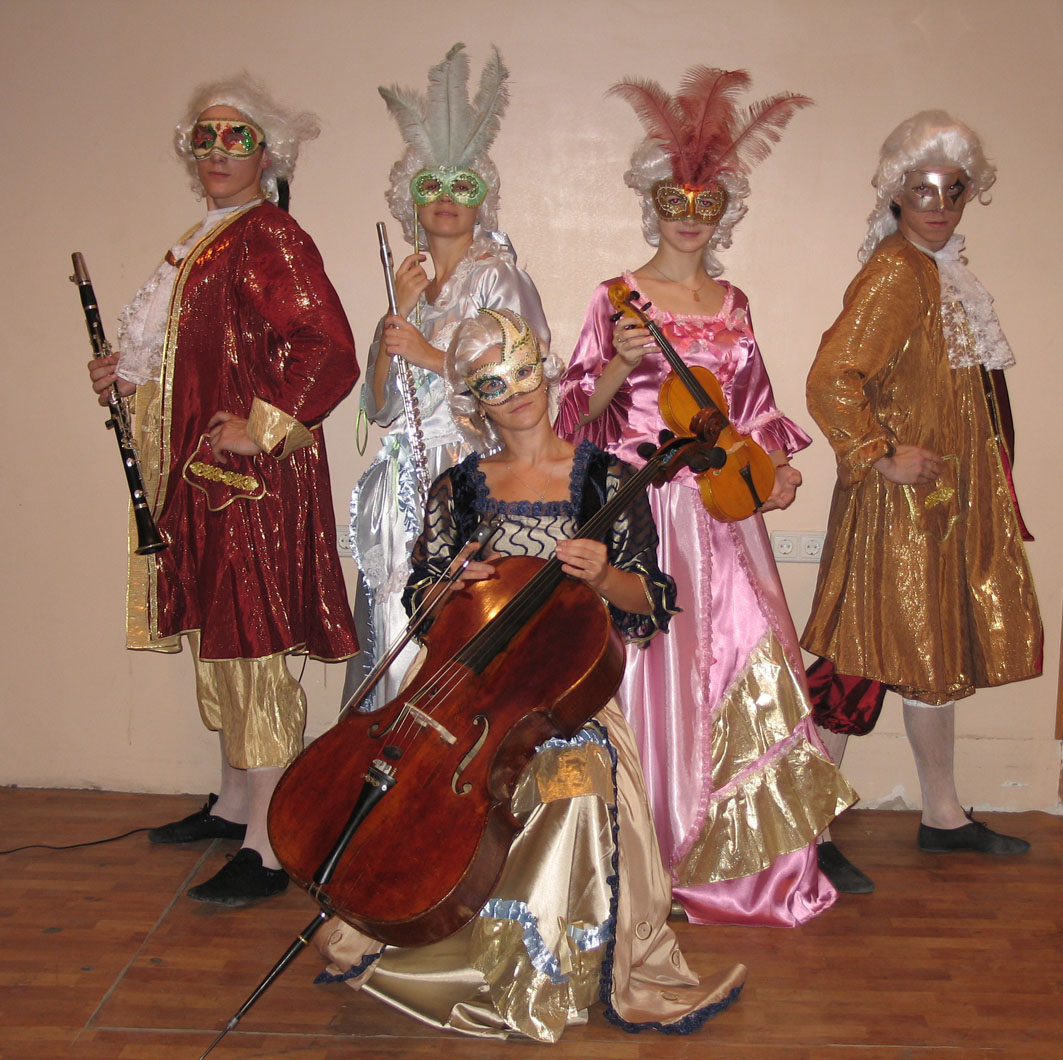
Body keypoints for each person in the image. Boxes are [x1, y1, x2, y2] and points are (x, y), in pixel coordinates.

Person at [317, 308, 745, 1040]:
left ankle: (547, 968)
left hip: (567, 697)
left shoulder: (606, 479)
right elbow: (423, 606)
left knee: (568, 788)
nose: (515, 393)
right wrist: (448, 584)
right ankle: (448, 942)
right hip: (466, 694)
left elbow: (648, 602)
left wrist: (604, 575)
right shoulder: (459, 488)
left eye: (522, 373)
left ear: (544, 372)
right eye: (493, 383)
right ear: (473, 399)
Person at [556, 65, 856, 926]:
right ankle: (649, 855)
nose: (688, 215)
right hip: (646, 514)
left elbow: (752, 406)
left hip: (725, 513)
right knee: (653, 673)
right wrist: (615, 362)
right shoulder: (614, 296)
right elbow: (576, 413)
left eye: (706, 201)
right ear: (649, 202)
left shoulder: (733, 301)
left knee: (744, 661)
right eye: (674, 199)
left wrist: (776, 467)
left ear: (725, 210)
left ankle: (742, 862)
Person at [87, 75, 359, 906]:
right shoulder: (208, 237)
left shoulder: (268, 234)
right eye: (203, 137)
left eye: (235, 137)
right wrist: (127, 374)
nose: (216, 151)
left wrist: (264, 426)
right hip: (206, 478)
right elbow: (194, 354)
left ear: (266, 153)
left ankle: (269, 844)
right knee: (222, 636)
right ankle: (238, 803)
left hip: (251, 483)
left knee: (250, 642)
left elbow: (327, 347)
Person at [802, 111, 1042, 890]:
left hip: (939, 506)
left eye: (953, 190)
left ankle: (940, 814)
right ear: (896, 194)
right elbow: (830, 378)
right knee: (858, 660)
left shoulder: (938, 270)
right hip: (896, 509)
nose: (938, 205)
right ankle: (804, 830)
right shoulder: (897, 272)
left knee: (929, 657)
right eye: (922, 190)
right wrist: (877, 453)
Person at [347, 43, 547, 711]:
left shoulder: (498, 277)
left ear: (482, 197)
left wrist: (431, 354)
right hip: (402, 474)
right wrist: (396, 319)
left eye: (462, 185)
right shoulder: (406, 284)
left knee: (463, 628)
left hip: (468, 471)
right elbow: (379, 406)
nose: (445, 199)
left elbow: (522, 376)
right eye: (430, 184)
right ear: (409, 196)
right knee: (394, 620)